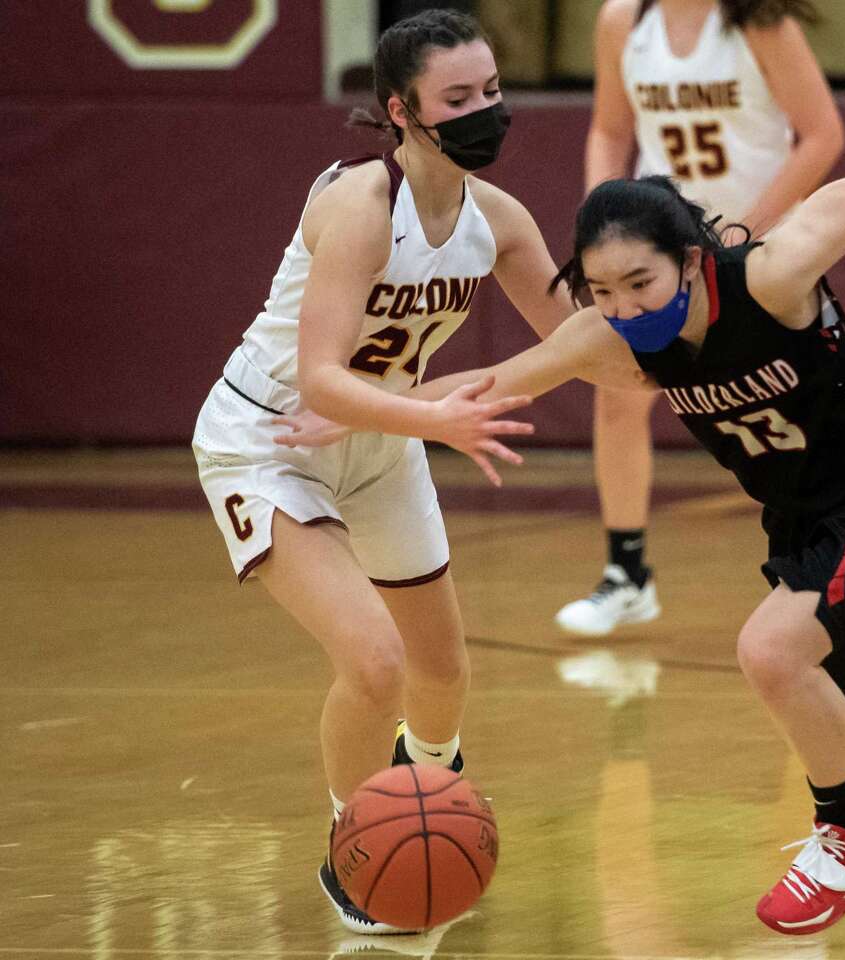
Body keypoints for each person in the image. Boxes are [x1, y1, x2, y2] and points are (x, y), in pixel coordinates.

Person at [279, 157, 845, 933]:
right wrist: (354, 408)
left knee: (770, 650)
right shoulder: (609, 335)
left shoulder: (774, 276)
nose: (624, 308)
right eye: (601, 290)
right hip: (800, 517)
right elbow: (499, 381)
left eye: (640, 282)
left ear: (688, 259)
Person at [192, 9, 574, 935]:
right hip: (270, 439)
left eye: (492, 92)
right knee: (374, 661)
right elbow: (322, 379)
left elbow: (582, 341)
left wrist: (681, 313)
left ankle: (427, 794)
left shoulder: (499, 221)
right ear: (402, 110)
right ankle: (357, 845)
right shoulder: (362, 206)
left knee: (441, 673)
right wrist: (436, 413)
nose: (485, 111)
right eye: (459, 98)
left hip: (380, 435)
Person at [556, 0, 845, 637]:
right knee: (618, 400)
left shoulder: (756, 20)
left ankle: (830, 558)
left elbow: (822, 134)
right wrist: (602, 227)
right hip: (661, 256)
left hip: (759, 250)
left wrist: (746, 233)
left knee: (798, 405)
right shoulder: (623, 22)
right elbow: (609, 129)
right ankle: (626, 574)